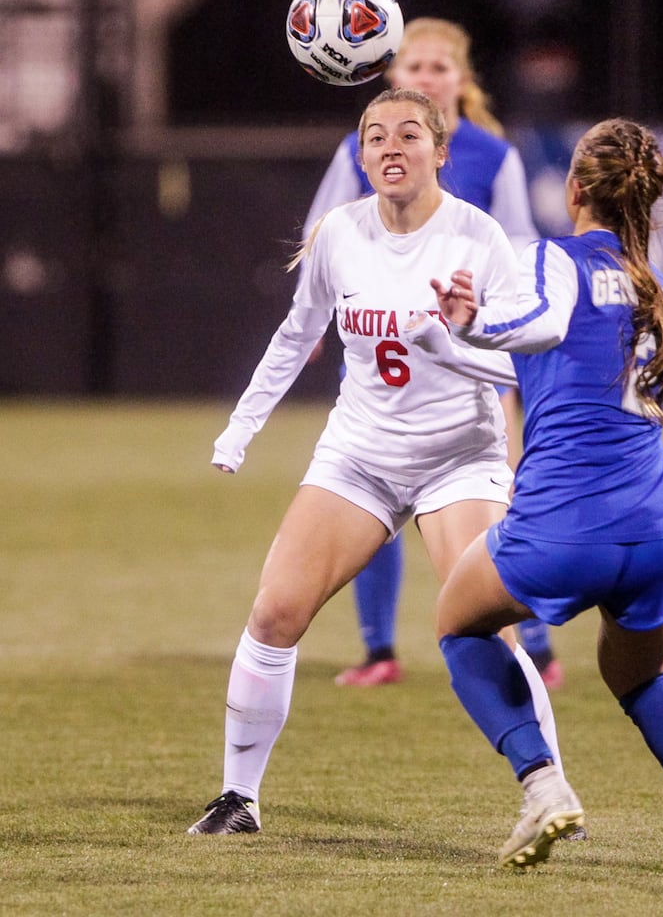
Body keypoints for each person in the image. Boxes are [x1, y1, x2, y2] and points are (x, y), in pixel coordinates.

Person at [188, 88, 566, 835]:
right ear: (359, 158)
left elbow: (525, 364)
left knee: (487, 625)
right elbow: (298, 335)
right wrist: (241, 428)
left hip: (460, 456)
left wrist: (458, 338)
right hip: (360, 455)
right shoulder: (340, 233)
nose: (390, 148)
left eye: (407, 135)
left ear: (440, 151)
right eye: (374, 138)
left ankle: (550, 788)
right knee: (275, 612)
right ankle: (239, 799)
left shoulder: (478, 237)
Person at [418, 118, 663, 877]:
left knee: (459, 625)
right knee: (639, 675)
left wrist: (469, 321)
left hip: (566, 523)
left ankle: (542, 786)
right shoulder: (654, 283)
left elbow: (533, 323)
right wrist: (463, 339)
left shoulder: (553, 260)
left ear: (574, 189)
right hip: (659, 526)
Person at [303, 16, 563, 689]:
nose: (426, 77)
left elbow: (523, 249)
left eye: (438, 68)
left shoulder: (491, 154)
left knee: (502, 501)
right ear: (392, 75)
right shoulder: (357, 148)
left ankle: (533, 644)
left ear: (460, 78)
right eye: (414, 67)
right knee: (367, 496)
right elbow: (319, 232)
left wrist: (504, 330)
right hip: (383, 357)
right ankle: (378, 650)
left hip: (469, 366)